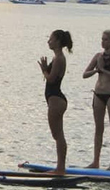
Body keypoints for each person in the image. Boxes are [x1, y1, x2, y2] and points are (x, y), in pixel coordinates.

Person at [82, 29, 110, 170]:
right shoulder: (98, 56)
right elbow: (85, 74)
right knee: (98, 128)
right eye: (102, 39)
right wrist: (96, 70)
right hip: (98, 94)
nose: (103, 41)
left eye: (106, 39)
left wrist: (103, 69)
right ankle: (96, 161)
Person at [38, 29, 72, 175]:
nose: (48, 41)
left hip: (56, 99)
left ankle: (60, 168)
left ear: (58, 41)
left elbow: (51, 78)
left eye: (51, 39)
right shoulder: (57, 58)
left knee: (58, 135)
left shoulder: (59, 58)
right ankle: (60, 167)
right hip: (54, 99)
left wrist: (44, 70)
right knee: (57, 134)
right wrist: (46, 69)